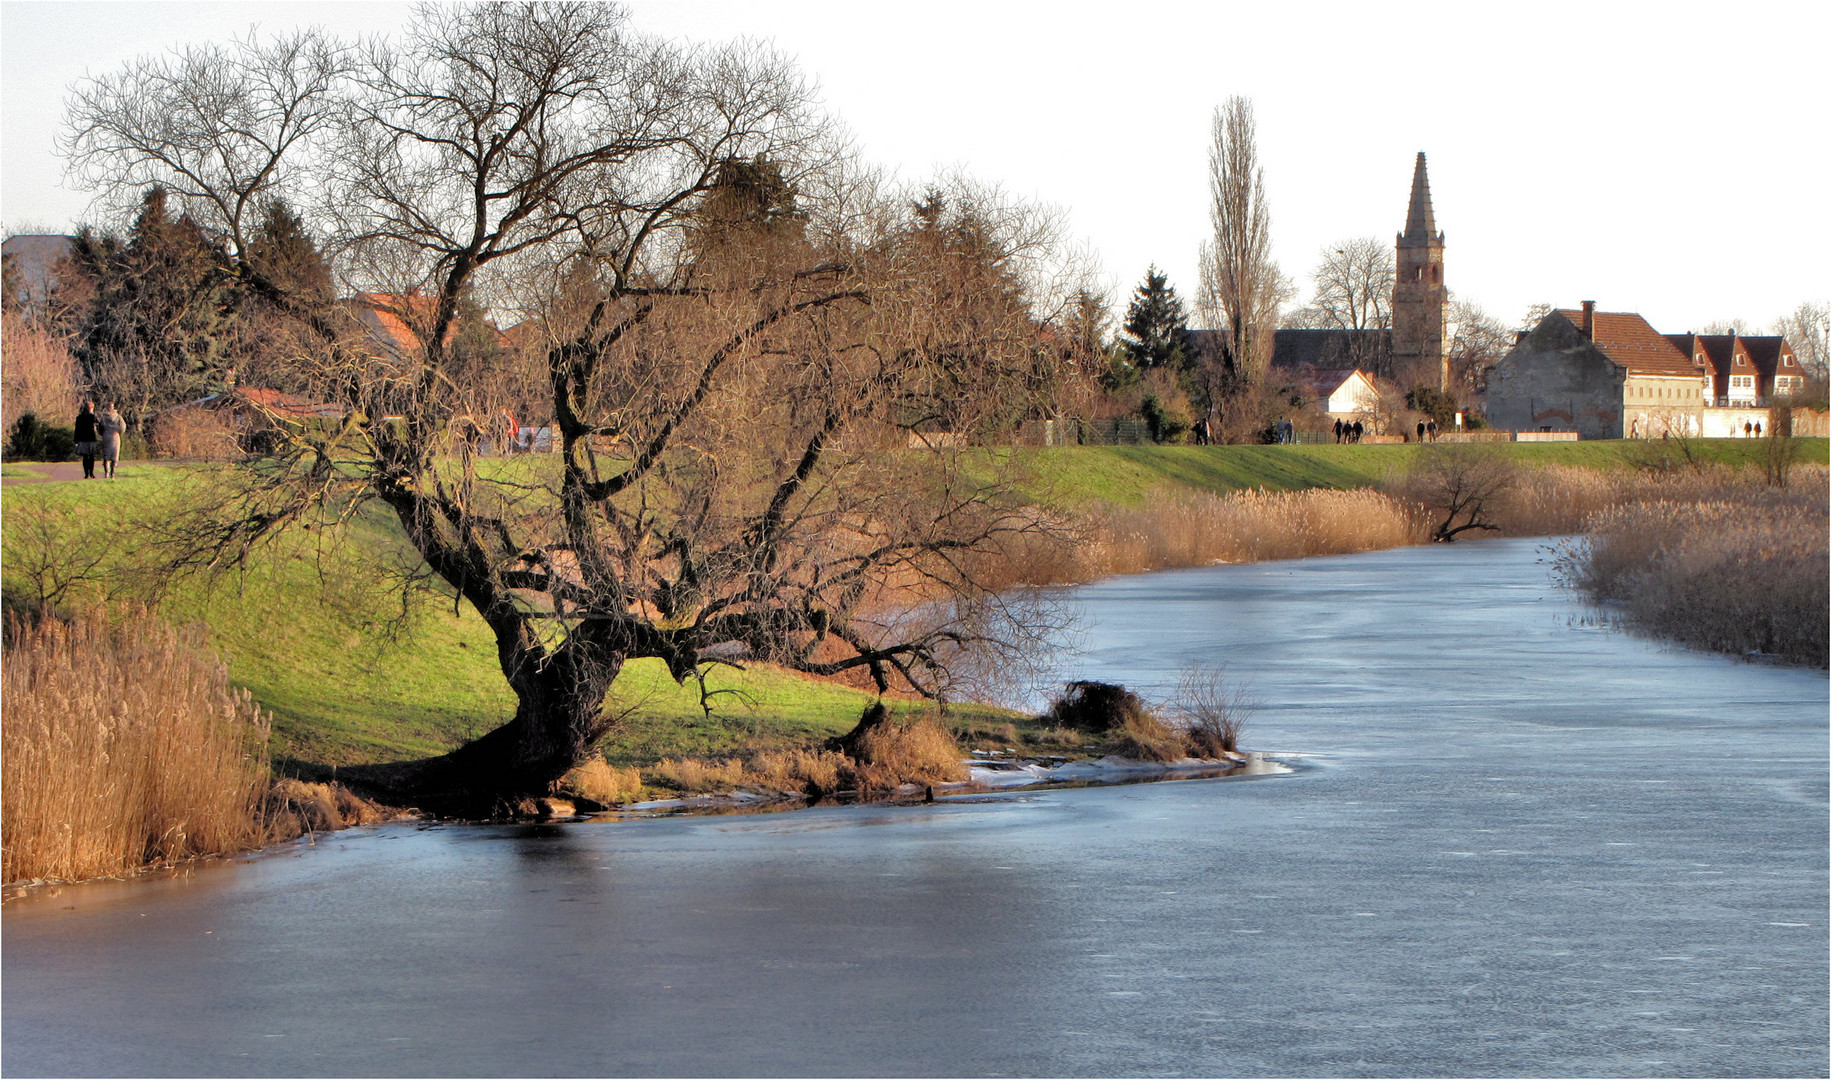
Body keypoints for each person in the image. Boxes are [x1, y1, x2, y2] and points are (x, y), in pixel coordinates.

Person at [98, 401, 126, 479]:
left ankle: (106, 472)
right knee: (115, 455)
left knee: (106, 456)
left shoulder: (103, 417)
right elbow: (123, 427)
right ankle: (112, 473)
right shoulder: (118, 417)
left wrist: (103, 434)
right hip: (115, 436)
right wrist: (119, 433)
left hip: (106, 436)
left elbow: (100, 428)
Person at [73, 400, 99, 479]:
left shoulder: (79, 417)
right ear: (91, 408)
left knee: (85, 457)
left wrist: (76, 440)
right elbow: (98, 423)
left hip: (83, 439)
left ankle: (86, 474)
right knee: (91, 457)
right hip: (91, 439)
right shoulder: (92, 417)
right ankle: (91, 473)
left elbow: (77, 429)